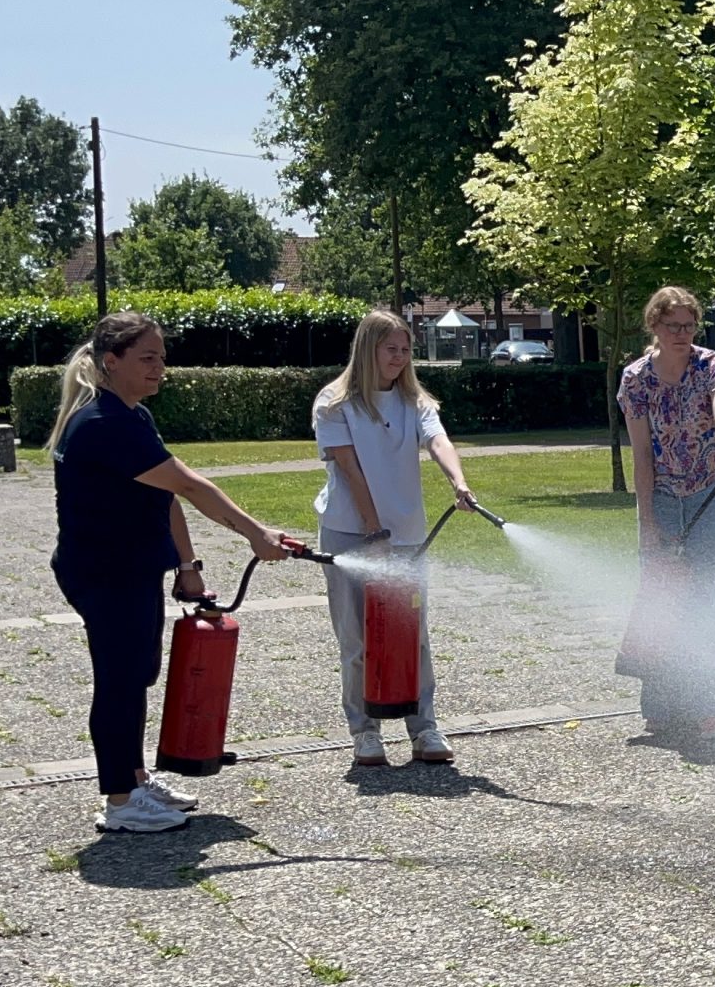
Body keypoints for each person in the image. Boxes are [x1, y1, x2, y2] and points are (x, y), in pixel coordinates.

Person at [48, 312, 292, 835]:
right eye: (148, 358)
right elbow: (192, 486)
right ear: (111, 361)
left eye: (162, 357)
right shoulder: (104, 422)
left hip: (129, 569)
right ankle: (119, 800)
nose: (161, 367)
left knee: (135, 676)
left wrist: (188, 567)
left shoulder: (130, 415)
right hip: (104, 573)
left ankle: (135, 780)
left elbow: (165, 496)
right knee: (119, 682)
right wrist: (256, 534)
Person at [312, 311, 481, 768]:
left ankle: (424, 726)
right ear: (368, 349)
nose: (400, 357)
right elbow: (350, 470)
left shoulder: (415, 400)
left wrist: (458, 482)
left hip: (406, 536)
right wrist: (372, 530)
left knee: (412, 636)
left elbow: (438, 440)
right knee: (356, 637)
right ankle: (364, 732)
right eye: (391, 349)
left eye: (405, 350)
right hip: (349, 532)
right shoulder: (333, 403)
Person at [620, 287, 715, 733]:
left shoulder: (712, 365)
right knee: (665, 599)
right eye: (672, 325)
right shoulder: (636, 379)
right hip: (661, 496)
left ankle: (713, 704)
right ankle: (663, 704)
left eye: (689, 324)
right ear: (654, 327)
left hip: (709, 493)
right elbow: (641, 454)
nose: (682, 333)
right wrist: (647, 523)